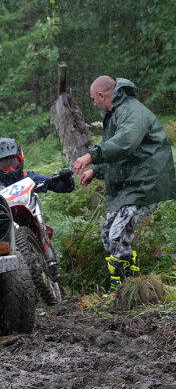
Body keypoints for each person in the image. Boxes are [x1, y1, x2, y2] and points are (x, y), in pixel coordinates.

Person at [72, 76, 176, 289]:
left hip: (146, 183)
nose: (93, 104)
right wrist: (96, 170)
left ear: (102, 95)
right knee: (108, 237)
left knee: (118, 236)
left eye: (93, 99)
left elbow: (125, 143)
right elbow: (115, 149)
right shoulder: (116, 113)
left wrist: (91, 156)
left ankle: (124, 288)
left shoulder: (132, 111)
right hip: (130, 184)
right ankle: (130, 284)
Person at [0, 137, 75, 194]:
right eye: (4, 165)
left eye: (13, 163)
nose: (10, 168)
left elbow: (65, 188)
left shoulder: (29, 178)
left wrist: (66, 179)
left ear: (20, 159)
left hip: (31, 219)